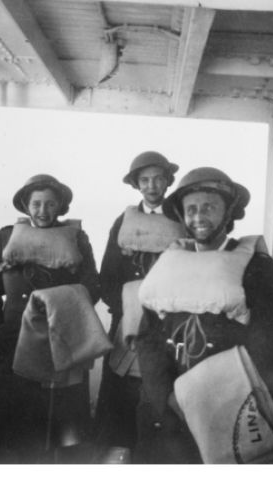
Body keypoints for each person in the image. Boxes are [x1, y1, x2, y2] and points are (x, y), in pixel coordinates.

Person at [134, 167, 273, 464]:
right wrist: (166, 397)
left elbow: (272, 341)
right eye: (191, 209)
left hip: (230, 405)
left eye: (209, 207)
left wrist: (230, 400)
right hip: (173, 405)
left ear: (228, 212)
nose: (198, 217)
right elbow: (149, 337)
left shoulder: (256, 267)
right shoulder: (169, 265)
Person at [0, 174, 101, 462]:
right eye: (36, 204)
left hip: (62, 337)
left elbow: (92, 288)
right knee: (18, 422)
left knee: (63, 424)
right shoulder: (6, 237)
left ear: (60, 207)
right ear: (25, 205)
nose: (43, 211)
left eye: (50, 204)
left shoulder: (77, 239)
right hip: (14, 340)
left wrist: (60, 303)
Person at [95, 151, 184, 452]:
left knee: (163, 392)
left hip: (171, 322)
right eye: (144, 180)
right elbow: (107, 276)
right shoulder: (123, 221)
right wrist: (127, 309)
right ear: (136, 185)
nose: (152, 186)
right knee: (120, 395)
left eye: (158, 178)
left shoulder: (182, 218)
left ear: (168, 182)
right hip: (128, 320)